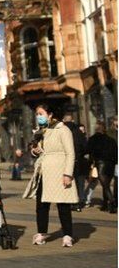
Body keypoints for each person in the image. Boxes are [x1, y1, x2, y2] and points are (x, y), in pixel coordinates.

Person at [23, 104, 77, 247]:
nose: (38, 116)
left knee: (63, 205)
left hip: (59, 170)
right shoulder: (43, 131)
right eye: (37, 114)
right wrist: (35, 150)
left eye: (41, 113)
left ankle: (67, 235)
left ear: (50, 114)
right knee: (41, 204)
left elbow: (70, 153)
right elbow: (40, 150)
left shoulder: (63, 129)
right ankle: (41, 233)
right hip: (43, 172)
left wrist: (68, 174)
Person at [87, 120, 117, 213]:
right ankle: (105, 204)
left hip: (100, 164)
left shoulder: (93, 139)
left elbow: (89, 151)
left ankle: (112, 203)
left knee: (105, 185)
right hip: (111, 164)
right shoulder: (111, 140)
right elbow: (116, 152)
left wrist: (90, 162)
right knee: (106, 184)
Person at [64, 121, 90, 212]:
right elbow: (86, 149)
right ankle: (80, 202)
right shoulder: (80, 136)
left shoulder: (68, 136)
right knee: (80, 184)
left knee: (72, 184)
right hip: (81, 163)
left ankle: (73, 202)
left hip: (71, 164)